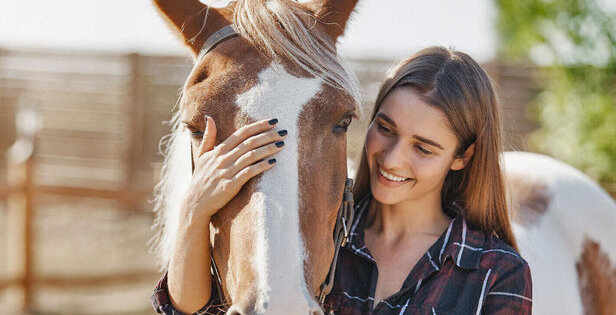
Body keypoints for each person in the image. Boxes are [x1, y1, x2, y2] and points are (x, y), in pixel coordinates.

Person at [152, 47, 532, 314]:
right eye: (385, 128)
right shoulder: (324, 228)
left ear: (463, 157)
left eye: (424, 148)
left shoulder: (497, 273)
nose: (392, 158)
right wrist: (193, 209)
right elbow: (195, 311)